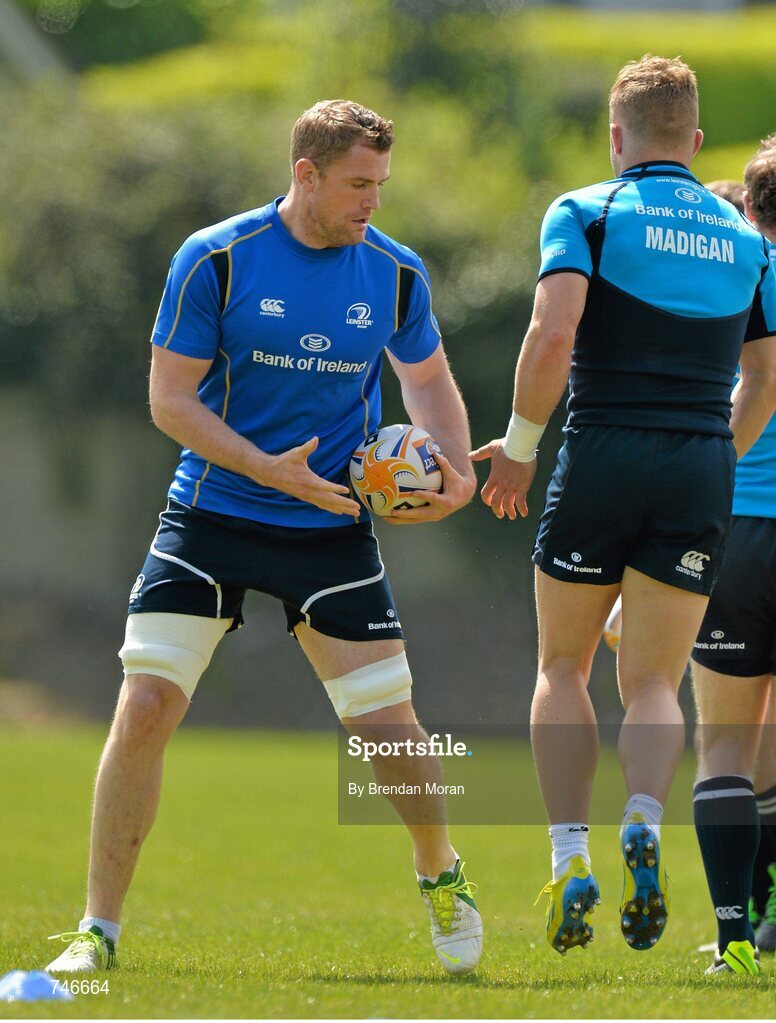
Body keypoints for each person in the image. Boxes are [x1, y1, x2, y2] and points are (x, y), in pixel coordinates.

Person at [44, 100, 483, 976]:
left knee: (387, 730)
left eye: (382, 185)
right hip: (210, 513)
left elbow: (426, 376)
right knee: (145, 708)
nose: (373, 202)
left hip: (329, 522)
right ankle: (98, 930)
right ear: (306, 174)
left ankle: (440, 872)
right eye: (359, 184)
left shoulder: (394, 273)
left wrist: (459, 471)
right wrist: (264, 465)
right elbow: (170, 401)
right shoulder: (218, 257)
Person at [471, 56, 776, 958]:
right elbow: (762, 378)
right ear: (696, 140)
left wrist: (520, 452)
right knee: (651, 682)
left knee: (562, 666)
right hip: (698, 464)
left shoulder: (586, 210)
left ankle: (572, 853)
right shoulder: (743, 236)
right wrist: (716, 456)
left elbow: (553, 331)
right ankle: (645, 817)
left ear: (617, 137)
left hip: (601, 451)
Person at [691, 141, 776, 974]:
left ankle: (735, 938)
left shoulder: (729, 280)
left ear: (748, 210)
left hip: (737, 529)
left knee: (726, 749)